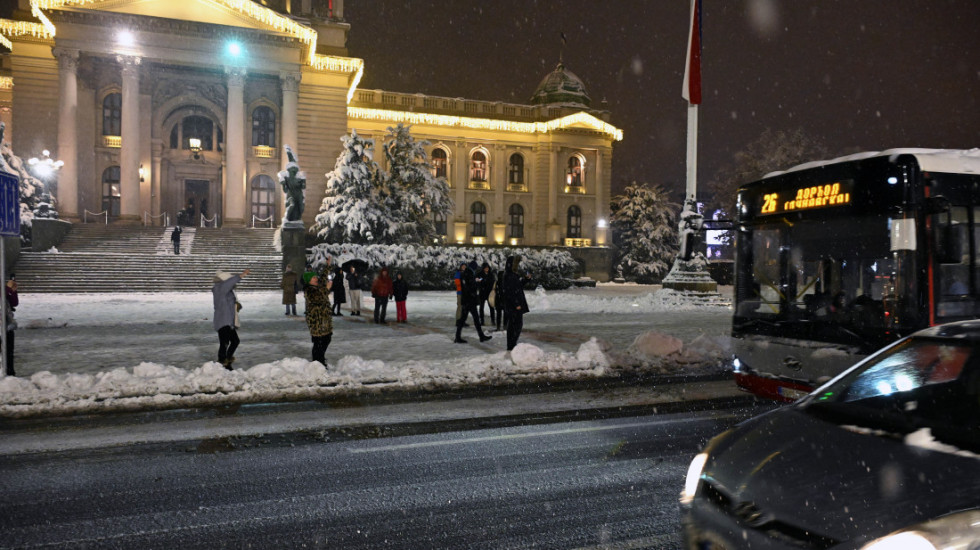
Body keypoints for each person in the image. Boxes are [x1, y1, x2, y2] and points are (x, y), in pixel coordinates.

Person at [212, 269, 249, 369]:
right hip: (222, 321)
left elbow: (229, 302)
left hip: (229, 321)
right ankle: (222, 362)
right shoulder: (219, 288)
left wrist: (236, 305)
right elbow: (229, 283)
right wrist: (241, 275)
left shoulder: (227, 291)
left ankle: (227, 360)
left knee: (235, 341)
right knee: (224, 343)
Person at [455, 260, 492, 344]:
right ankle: (480, 336)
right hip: (470, 300)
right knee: (474, 319)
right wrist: (476, 282)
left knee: (465, 319)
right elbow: (470, 287)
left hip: (467, 300)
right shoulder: (469, 274)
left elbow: (466, 286)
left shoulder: (465, 273)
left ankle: (458, 337)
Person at [304, 272, 333, 365]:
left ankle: (320, 359)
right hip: (316, 321)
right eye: (313, 278)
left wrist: (327, 266)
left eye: (316, 276)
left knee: (327, 338)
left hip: (324, 319)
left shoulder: (317, 287)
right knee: (319, 343)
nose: (316, 278)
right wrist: (327, 289)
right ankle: (317, 362)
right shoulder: (309, 290)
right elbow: (318, 298)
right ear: (309, 280)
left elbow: (323, 279)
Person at [503, 255, 529, 351]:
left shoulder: (512, 275)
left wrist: (526, 279)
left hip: (514, 305)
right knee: (515, 325)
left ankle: (512, 344)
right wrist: (516, 304)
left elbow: (518, 287)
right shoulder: (509, 276)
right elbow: (510, 292)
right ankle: (511, 345)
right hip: (513, 306)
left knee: (515, 325)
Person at [4, 277, 17, 376]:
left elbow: (14, 303)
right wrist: (8, 289)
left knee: (9, 351)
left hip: (7, 324)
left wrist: (13, 291)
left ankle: (10, 373)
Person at [478, 262, 496, 327]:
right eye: (485, 268)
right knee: (481, 307)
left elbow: (493, 282)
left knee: (491, 307)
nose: (486, 269)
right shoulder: (480, 274)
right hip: (482, 293)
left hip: (489, 293)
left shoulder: (491, 274)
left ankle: (493, 320)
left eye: (487, 268)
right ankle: (482, 321)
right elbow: (478, 282)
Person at [494, 259, 509, 332]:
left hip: (499, 300)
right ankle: (504, 326)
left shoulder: (497, 282)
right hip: (503, 300)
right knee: (504, 314)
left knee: (499, 314)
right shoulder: (505, 283)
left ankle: (498, 326)